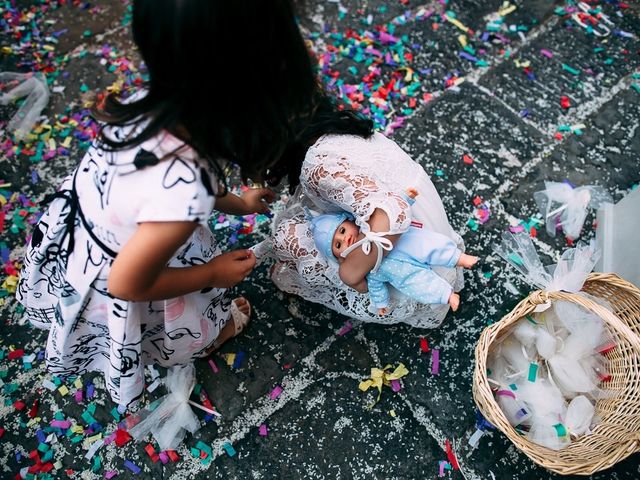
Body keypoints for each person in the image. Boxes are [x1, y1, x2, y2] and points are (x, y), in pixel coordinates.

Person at [15, 0, 318, 408]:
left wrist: (239, 205)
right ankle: (210, 339)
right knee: (183, 322)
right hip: (126, 272)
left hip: (89, 239)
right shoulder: (183, 192)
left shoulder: (149, 104)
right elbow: (127, 283)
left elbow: (179, 188)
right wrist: (210, 272)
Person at [264, 94, 466, 328]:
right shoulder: (340, 127)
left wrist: (350, 273)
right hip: (432, 232)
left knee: (288, 237)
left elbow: (389, 217)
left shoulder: (316, 166)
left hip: (411, 252)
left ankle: (407, 296)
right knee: (320, 224)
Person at [309, 188, 479, 315]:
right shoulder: (367, 271)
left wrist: (406, 199)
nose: (344, 239)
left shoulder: (369, 225)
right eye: (338, 245)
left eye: (343, 231)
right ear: (339, 257)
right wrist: (381, 303)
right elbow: (374, 288)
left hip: (403, 243)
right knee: (419, 284)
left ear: (351, 222)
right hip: (398, 272)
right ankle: (447, 295)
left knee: (430, 244)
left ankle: (459, 257)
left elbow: (391, 214)